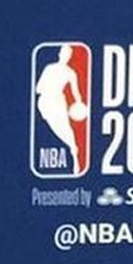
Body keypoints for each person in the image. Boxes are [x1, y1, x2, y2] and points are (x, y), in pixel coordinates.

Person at [35, 44, 84, 172]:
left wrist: (80, 103)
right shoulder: (49, 68)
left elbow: (76, 92)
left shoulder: (70, 73)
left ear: (70, 56)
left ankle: (74, 154)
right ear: (60, 54)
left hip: (59, 101)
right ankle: (72, 147)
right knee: (55, 127)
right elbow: (38, 88)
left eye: (68, 54)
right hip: (45, 102)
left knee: (66, 127)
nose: (66, 56)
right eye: (64, 53)